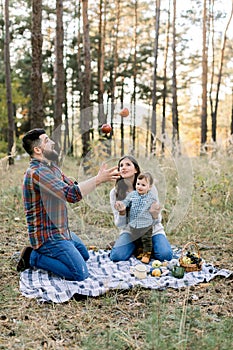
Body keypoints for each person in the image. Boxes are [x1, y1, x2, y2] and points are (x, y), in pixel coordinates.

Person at [17, 128, 120, 281]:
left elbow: (73, 187)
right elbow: (71, 195)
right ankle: (33, 257)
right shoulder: (37, 172)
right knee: (80, 273)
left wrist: (98, 178)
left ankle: (55, 252)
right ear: (37, 149)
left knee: (84, 255)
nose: (52, 142)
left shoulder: (51, 167)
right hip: (48, 236)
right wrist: (99, 180)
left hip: (61, 231)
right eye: (47, 141)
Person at [109, 155, 173, 263]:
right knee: (116, 256)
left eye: (128, 164)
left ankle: (146, 246)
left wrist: (154, 214)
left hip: (151, 230)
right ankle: (137, 246)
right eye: (121, 166)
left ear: (136, 169)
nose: (123, 168)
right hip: (130, 231)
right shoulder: (115, 193)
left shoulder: (149, 188)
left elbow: (158, 220)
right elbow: (120, 225)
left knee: (165, 255)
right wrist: (122, 213)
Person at [114, 172, 158, 263]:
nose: (139, 187)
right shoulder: (132, 195)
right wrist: (121, 205)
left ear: (149, 187)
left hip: (146, 224)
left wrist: (155, 210)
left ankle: (147, 253)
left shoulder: (151, 197)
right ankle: (140, 250)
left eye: (143, 185)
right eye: (138, 184)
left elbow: (155, 209)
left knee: (146, 239)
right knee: (137, 239)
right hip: (134, 224)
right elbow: (126, 202)